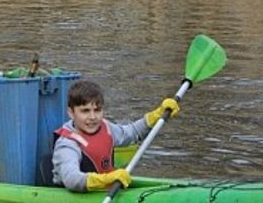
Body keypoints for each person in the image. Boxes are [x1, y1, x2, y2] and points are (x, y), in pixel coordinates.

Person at [51, 79, 180, 192]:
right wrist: (107, 179)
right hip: (73, 197)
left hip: (103, 192)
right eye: (85, 111)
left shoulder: (106, 127)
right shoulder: (67, 144)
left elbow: (133, 133)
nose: (92, 117)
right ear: (71, 113)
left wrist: (157, 115)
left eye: (97, 110)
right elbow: (72, 180)